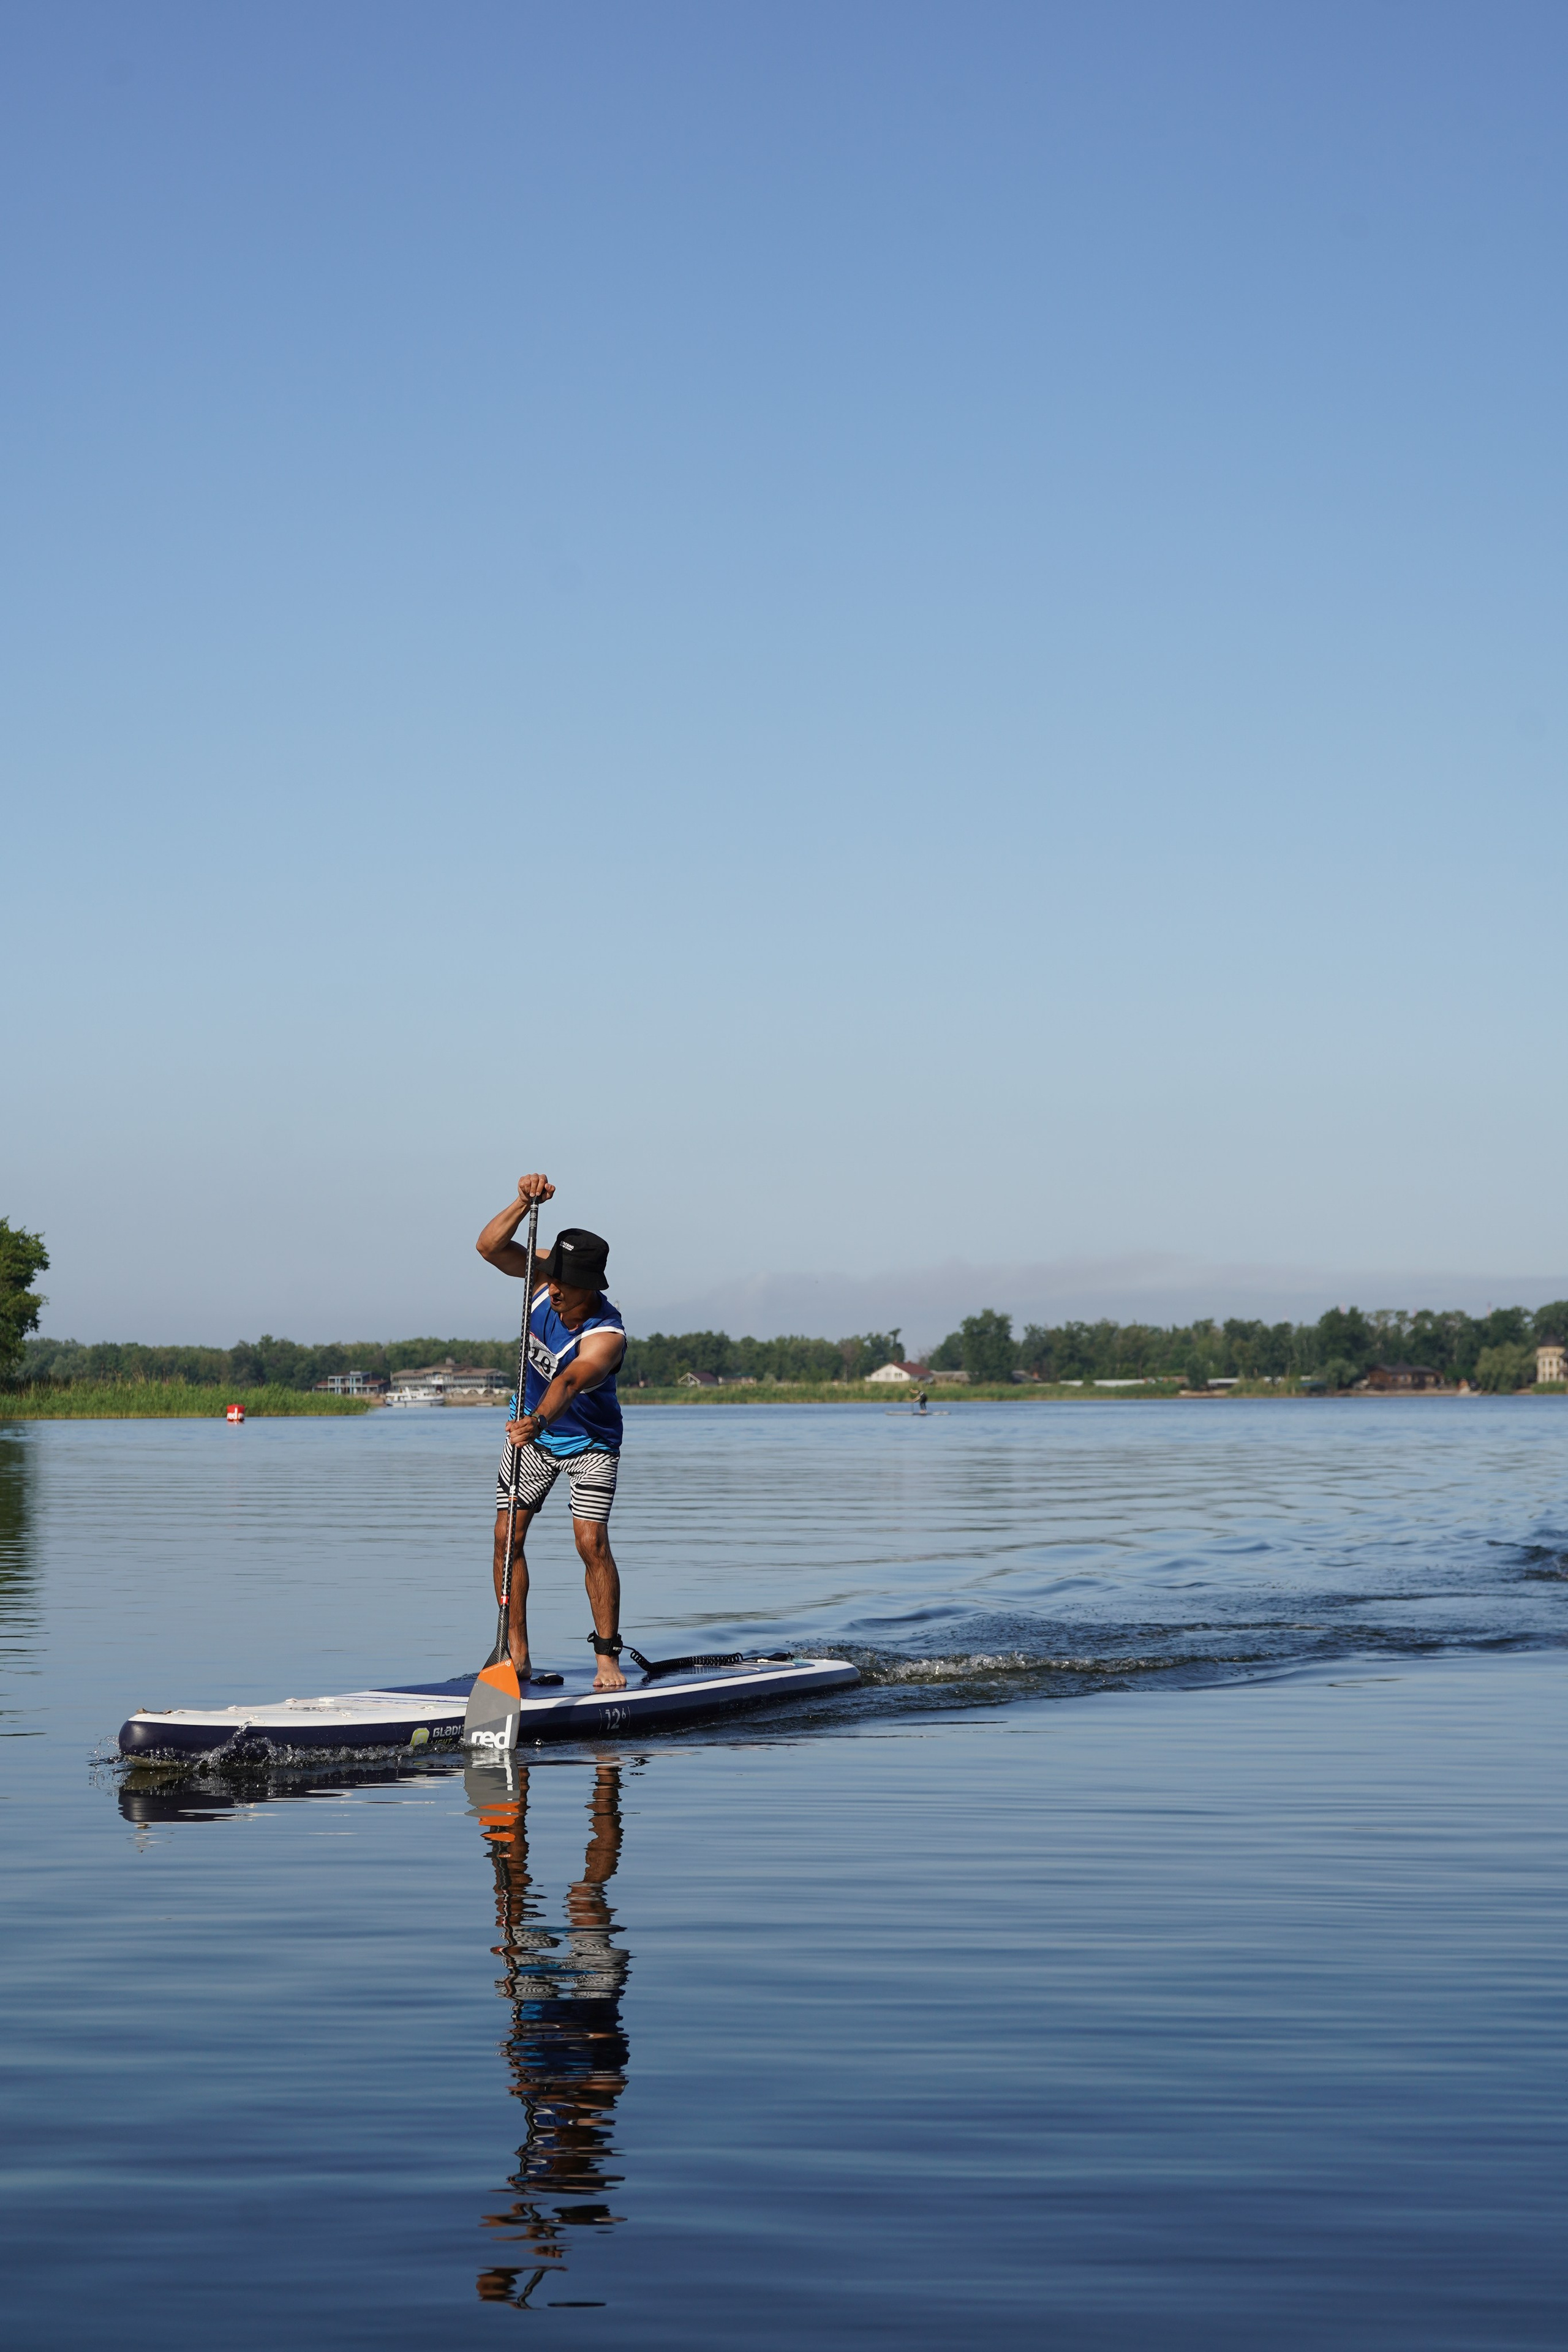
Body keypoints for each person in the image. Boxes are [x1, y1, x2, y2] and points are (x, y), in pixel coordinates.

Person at [477, 1174, 628, 1692]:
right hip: (532, 1438)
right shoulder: (545, 1282)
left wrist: (540, 1419)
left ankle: (608, 1659)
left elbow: (568, 1381)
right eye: (551, 1279)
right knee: (506, 1538)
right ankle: (516, 1654)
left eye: (565, 1285)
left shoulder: (607, 1338)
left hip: (589, 1443)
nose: (553, 1289)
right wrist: (523, 1202)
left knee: (591, 1543)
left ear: (591, 1288)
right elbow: (489, 1247)